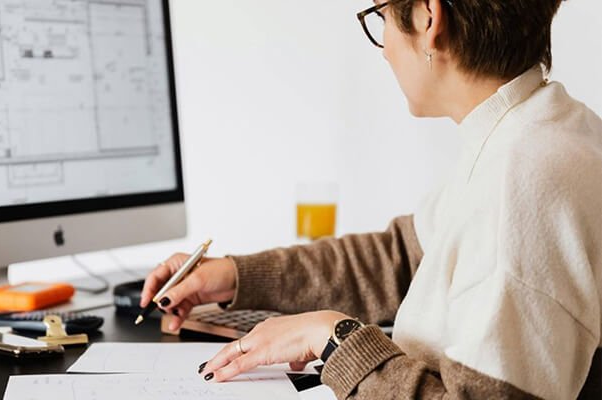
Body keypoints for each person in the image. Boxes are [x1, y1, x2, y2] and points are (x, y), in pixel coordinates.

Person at [141, 0, 602, 398]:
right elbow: (401, 258)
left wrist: (332, 338)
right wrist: (236, 275)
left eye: (380, 16)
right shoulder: (535, 131)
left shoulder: (524, 179)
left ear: (428, 17)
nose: (383, 49)